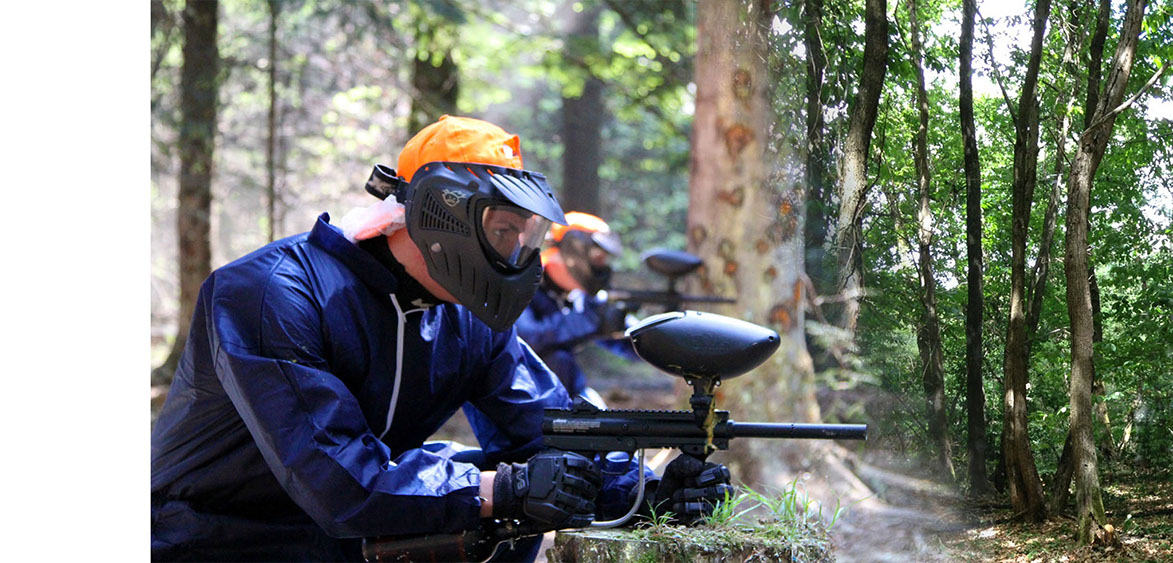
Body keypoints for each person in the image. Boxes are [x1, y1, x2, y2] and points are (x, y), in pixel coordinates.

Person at [150, 115, 730, 562]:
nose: (516, 256)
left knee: (507, 491)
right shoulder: (271, 294)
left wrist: (645, 491)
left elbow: (552, 428)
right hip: (210, 541)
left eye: (523, 237)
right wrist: (504, 489)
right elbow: (338, 480)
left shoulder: (465, 317)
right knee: (488, 486)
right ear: (441, 214)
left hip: (347, 544)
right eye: (504, 233)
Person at [514, 212, 639, 404]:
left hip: (568, 394)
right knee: (558, 358)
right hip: (522, 399)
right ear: (574, 249)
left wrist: (657, 337)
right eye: (597, 256)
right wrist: (591, 319)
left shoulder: (580, 297)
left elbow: (628, 343)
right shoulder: (523, 282)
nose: (602, 266)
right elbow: (527, 338)